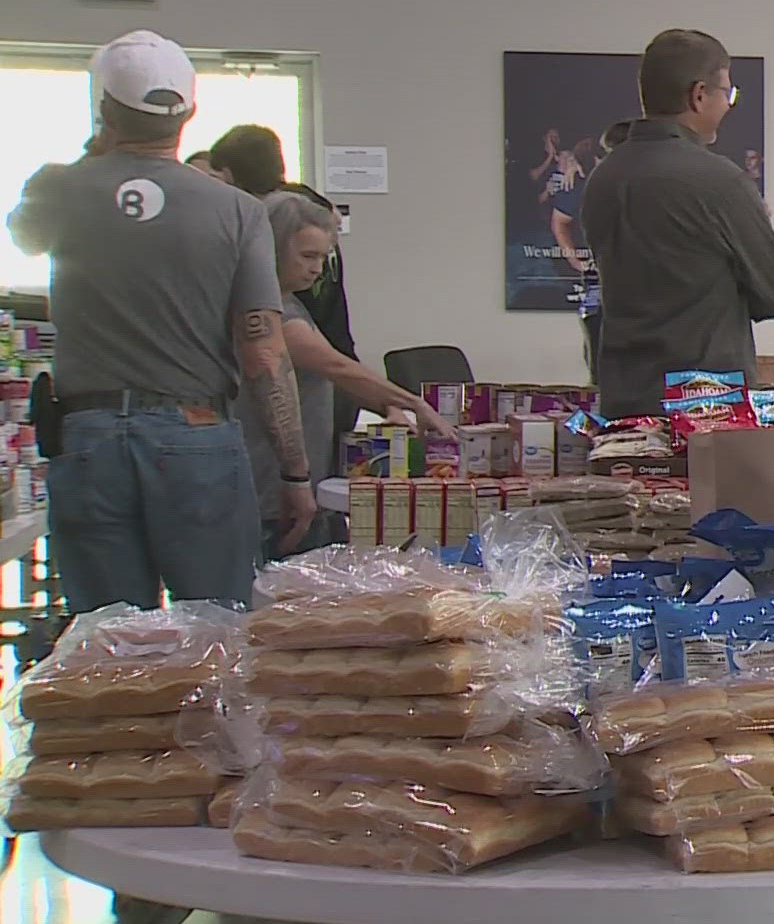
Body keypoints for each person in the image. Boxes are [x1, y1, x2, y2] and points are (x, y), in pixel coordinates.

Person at [10, 30, 313, 610]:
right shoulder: (237, 211)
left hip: (87, 437)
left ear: (104, 111)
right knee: (218, 631)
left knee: (109, 641)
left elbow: (22, 235)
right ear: (190, 113)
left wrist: (93, 156)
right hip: (195, 434)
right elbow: (263, 352)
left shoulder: (57, 189)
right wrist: (294, 474)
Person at [582, 29, 774, 416]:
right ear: (699, 95)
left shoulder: (603, 177)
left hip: (622, 402)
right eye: (727, 93)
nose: (729, 105)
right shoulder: (720, 181)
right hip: (704, 410)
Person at [243, 192, 456, 560]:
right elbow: (336, 366)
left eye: (322, 258)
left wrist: (387, 403)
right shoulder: (272, 316)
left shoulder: (291, 302)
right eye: (307, 256)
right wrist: (412, 402)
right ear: (273, 250)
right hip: (269, 489)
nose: (316, 269)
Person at [209, 124, 361, 477]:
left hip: (309, 373)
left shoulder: (268, 221)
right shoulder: (307, 207)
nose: (315, 267)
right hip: (328, 366)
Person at [554, 125, 629, 383]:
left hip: (650, 299)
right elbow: (560, 220)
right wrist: (573, 258)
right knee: (601, 373)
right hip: (602, 293)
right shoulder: (588, 184)